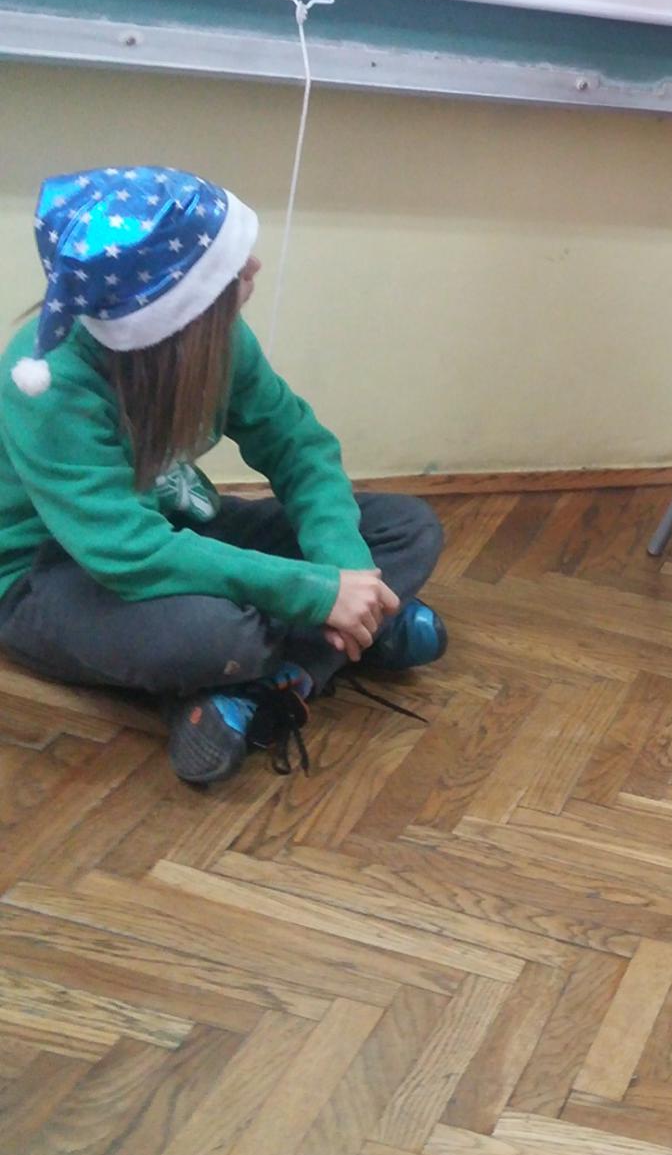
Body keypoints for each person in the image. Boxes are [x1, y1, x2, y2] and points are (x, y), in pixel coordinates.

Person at [0, 165, 446, 785]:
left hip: (180, 526)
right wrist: (317, 594)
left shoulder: (219, 341)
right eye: (228, 267)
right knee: (216, 635)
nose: (254, 266)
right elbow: (128, 553)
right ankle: (329, 649)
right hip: (52, 576)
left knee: (409, 528)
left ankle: (259, 681)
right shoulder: (48, 385)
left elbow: (298, 448)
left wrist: (345, 568)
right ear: (175, 309)